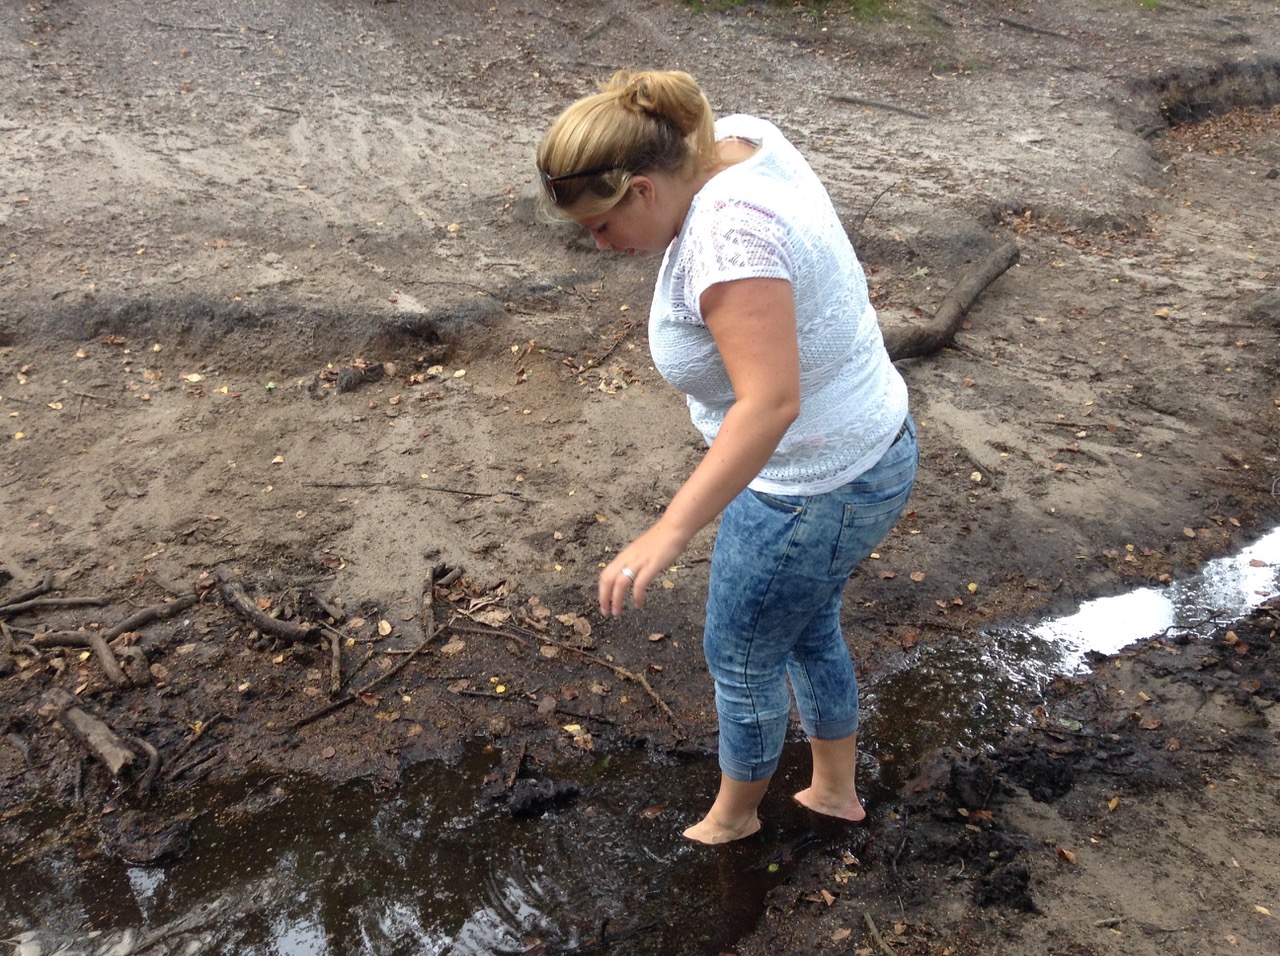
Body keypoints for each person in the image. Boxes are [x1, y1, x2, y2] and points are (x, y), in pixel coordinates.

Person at [536, 70, 918, 845]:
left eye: (601, 226)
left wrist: (667, 532)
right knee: (807, 627)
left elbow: (770, 403)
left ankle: (732, 821)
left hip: (813, 485)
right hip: (869, 445)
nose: (602, 245)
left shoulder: (727, 237)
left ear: (644, 189)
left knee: (740, 653)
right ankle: (834, 792)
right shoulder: (729, 138)